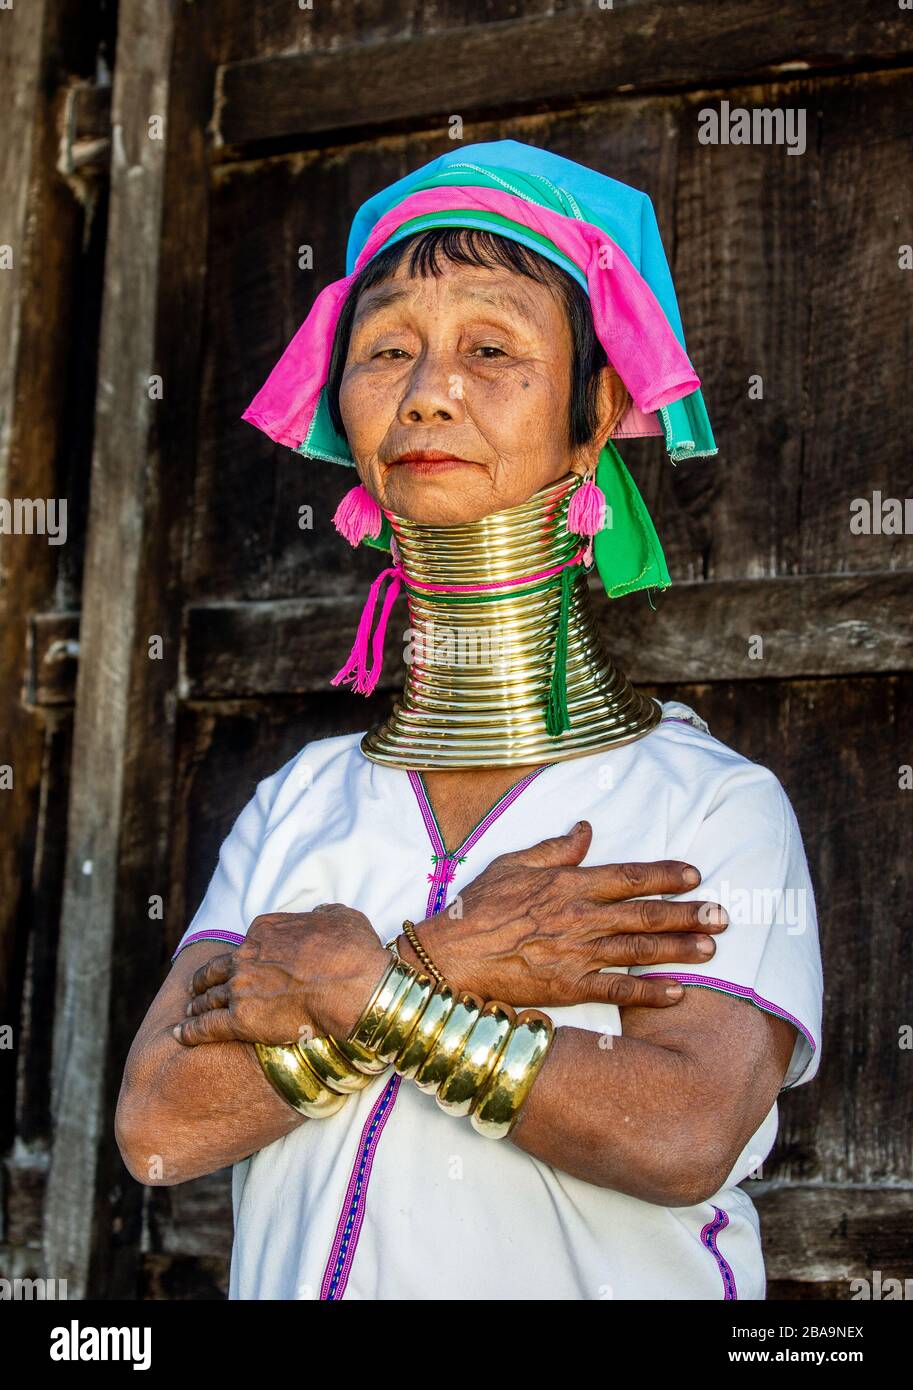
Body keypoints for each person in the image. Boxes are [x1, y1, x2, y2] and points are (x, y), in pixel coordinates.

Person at [116, 139, 823, 1301]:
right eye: (387, 348)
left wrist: (368, 994)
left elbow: (681, 1131)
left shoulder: (708, 803)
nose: (429, 390)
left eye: (491, 348)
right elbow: (157, 1125)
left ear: (596, 413)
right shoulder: (298, 804)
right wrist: (440, 962)